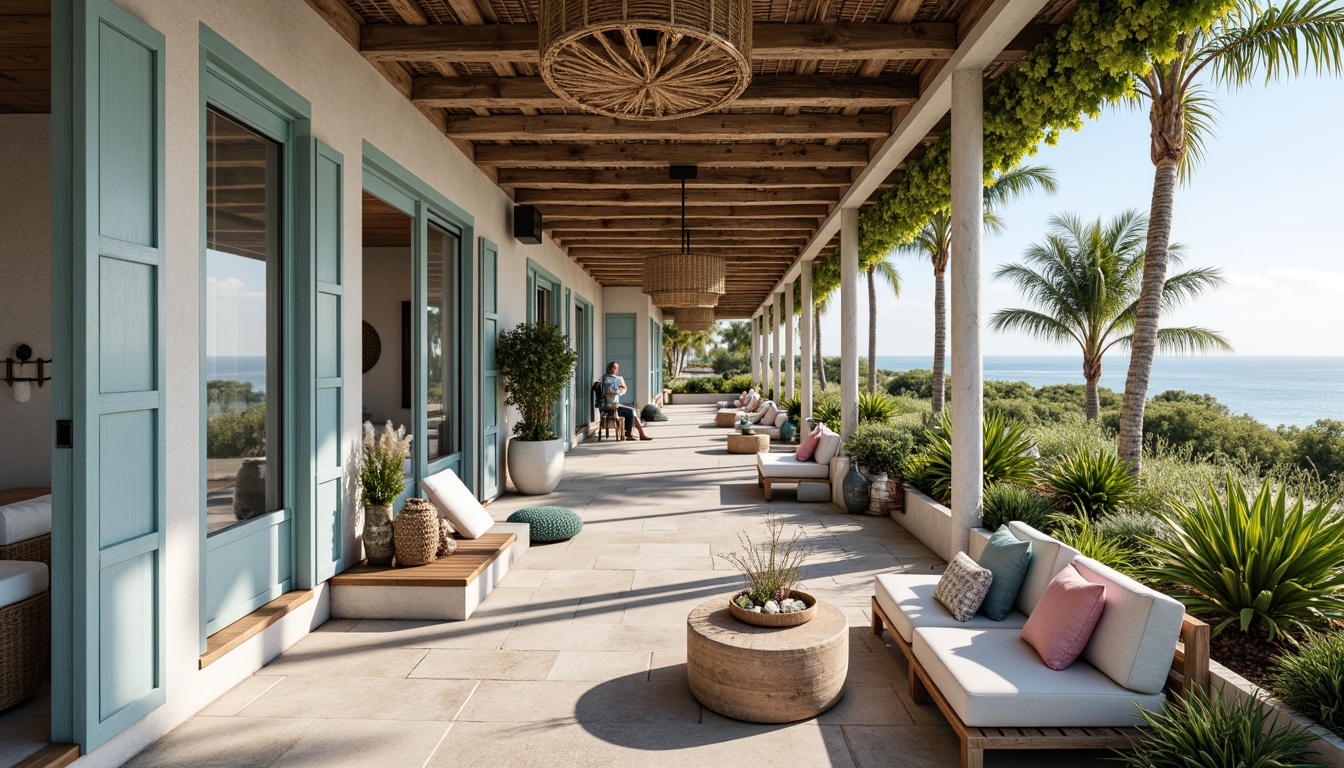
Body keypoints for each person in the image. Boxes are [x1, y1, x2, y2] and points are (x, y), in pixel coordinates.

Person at [602, 362, 653, 441]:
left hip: (614, 405)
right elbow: (608, 394)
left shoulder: (612, 378)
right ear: (611, 368)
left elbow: (617, 391)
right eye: (615, 368)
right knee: (632, 411)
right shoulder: (607, 379)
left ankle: (636, 434)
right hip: (610, 407)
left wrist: (621, 389)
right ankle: (636, 434)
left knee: (633, 413)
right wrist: (619, 391)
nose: (616, 370)